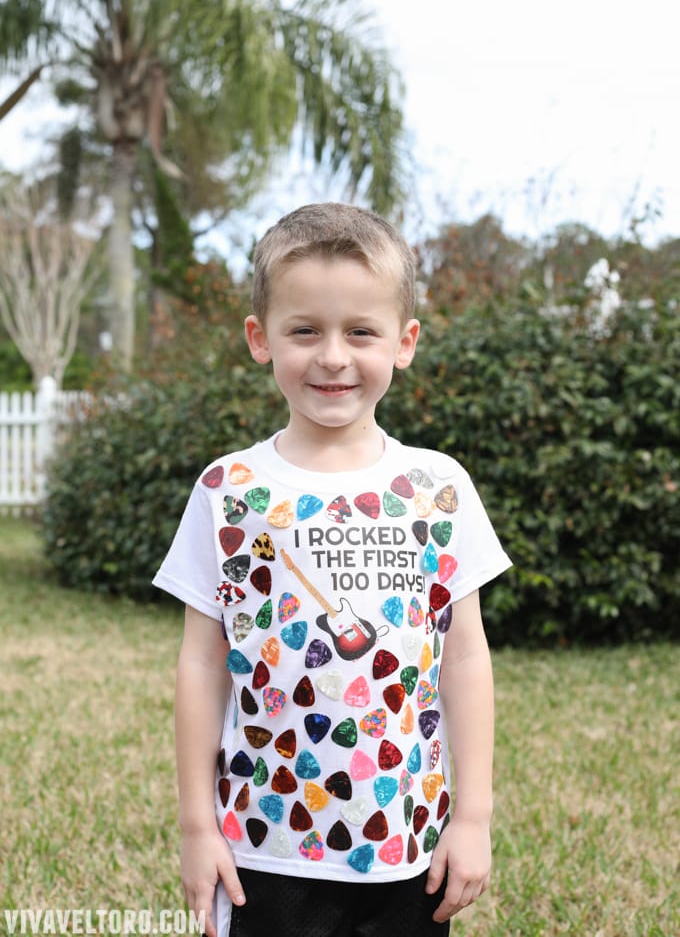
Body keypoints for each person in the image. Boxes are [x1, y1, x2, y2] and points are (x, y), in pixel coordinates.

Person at [153, 202, 512, 937]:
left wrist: (471, 817)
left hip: (407, 839)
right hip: (265, 839)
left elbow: (465, 655)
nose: (334, 356)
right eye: (305, 330)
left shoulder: (437, 488)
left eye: (361, 331)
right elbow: (201, 659)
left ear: (405, 342)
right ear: (261, 339)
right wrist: (197, 825)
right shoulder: (230, 490)